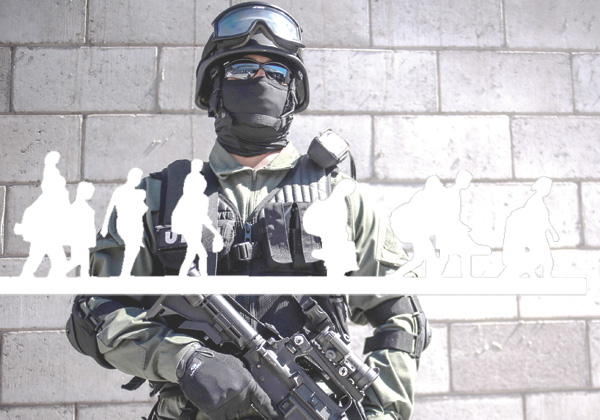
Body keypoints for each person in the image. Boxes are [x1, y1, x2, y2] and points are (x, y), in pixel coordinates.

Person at [71, 3, 429, 420]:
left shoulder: (341, 199)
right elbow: (94, 314)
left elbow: (400, 316)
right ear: (214, 89)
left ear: (293, 93)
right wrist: (184, 359)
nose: (260, 80)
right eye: (242, 69)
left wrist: (383, 411)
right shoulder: (155, 198)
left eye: (276, 73)